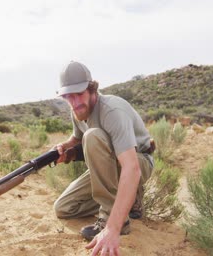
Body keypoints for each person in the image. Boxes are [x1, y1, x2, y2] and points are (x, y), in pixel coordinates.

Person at [53, 61, 154, 255]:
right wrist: (65, 147)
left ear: (92, 89)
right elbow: (77, 138)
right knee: (64, 208)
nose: (74, 103)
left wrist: (113, 228)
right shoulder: (77, 111)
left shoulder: (112, 111)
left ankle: (114, 219)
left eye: (78, 94)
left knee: (93, 137)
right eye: (68, 97)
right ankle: (128, 201)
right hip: (109, 166)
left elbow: (132, 168)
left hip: (138, 162)